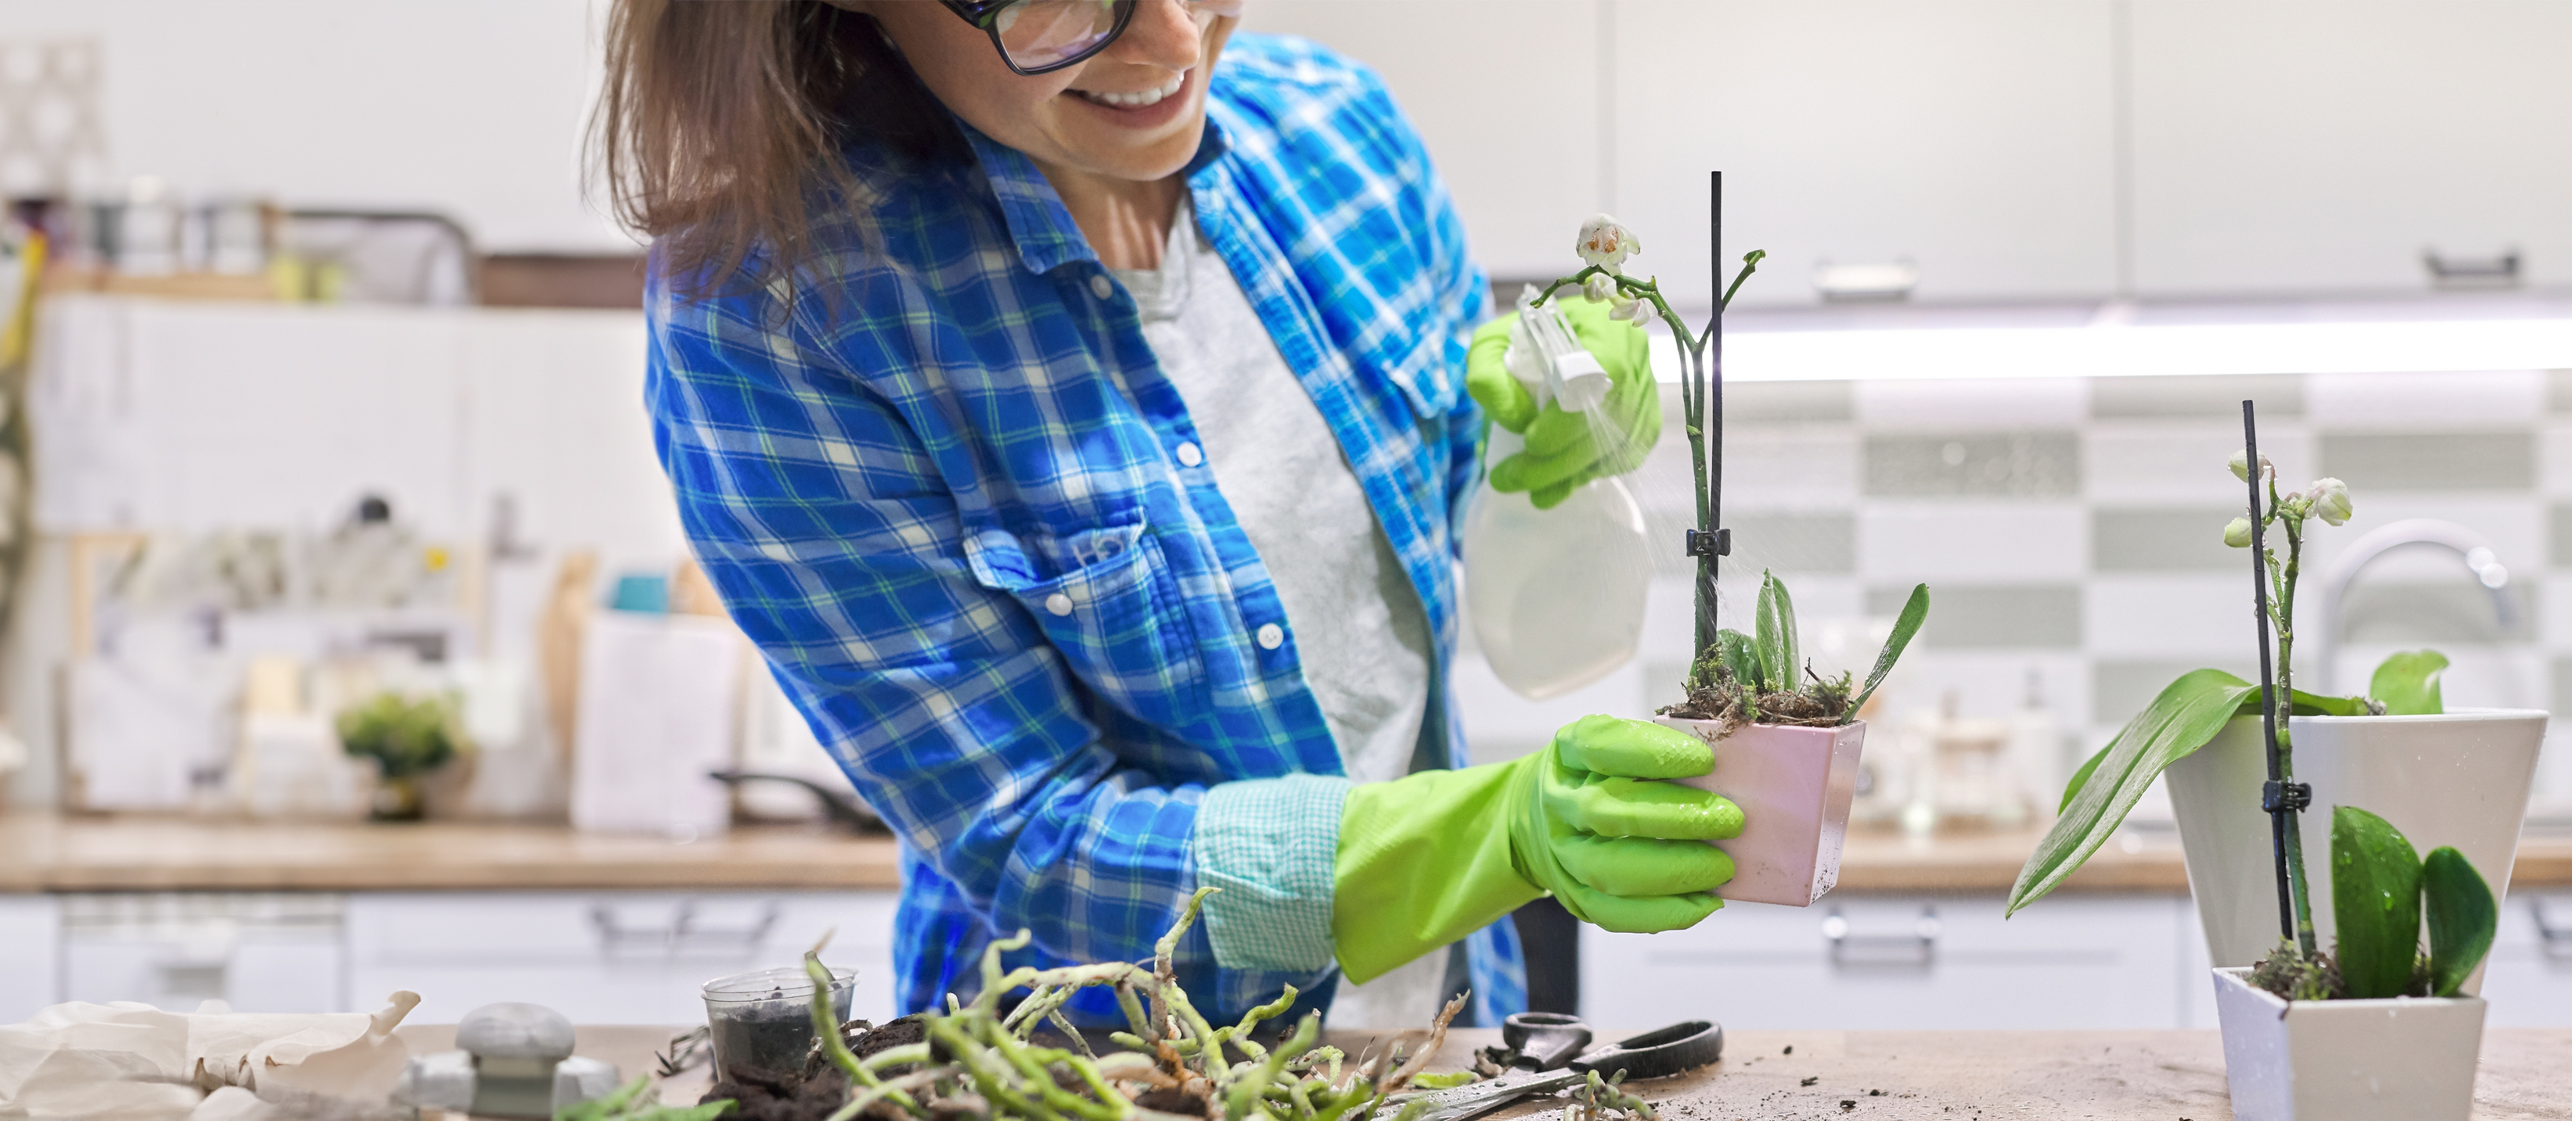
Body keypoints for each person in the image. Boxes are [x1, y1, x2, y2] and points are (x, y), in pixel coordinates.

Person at [598, 0, 1742, 1028]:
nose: (1170, 45)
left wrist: (1540, 442)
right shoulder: (778, 308)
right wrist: (1474, 839)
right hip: (1097, 1069)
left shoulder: (1339, 135)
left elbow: (1436, 540)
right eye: (1063, 0)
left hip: (1436, 1036)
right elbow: (1032, 833)